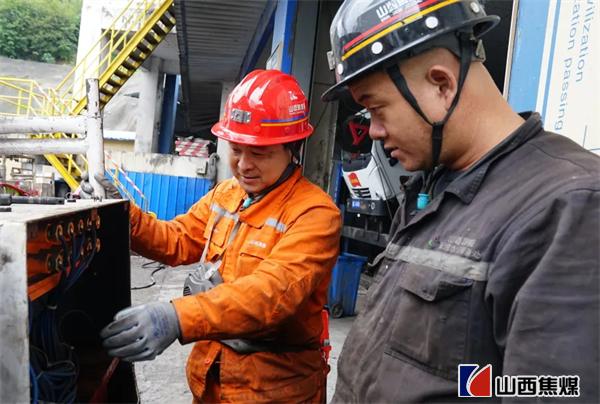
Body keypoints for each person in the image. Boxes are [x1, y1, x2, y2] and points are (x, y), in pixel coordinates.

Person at [321, 0, 599, 402]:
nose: (374, 131)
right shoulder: (431, 188)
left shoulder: (570, 209)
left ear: (441, 84)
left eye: (376, 109)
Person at [99, 69, 341, 403]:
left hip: (272, 391)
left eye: (259, 153)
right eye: (236, 149)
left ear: (292, 148)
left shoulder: (315, 214)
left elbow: (268, 295)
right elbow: (176, 239)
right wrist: (122, 215)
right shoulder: (227, 194)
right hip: (211, 380)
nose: (244, 165)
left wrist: (178, 317)